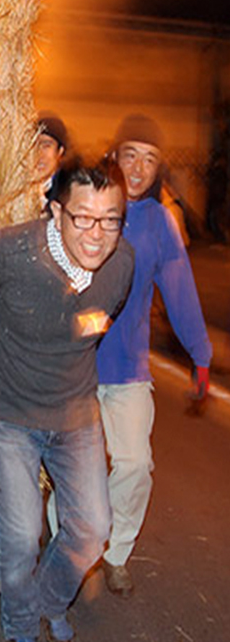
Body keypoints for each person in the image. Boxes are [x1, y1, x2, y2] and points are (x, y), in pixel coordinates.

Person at [0, 159, 134, 642]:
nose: (97, 234)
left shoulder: (121, 265)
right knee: (19, 535)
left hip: (76, 413)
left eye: (110, 219)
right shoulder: (11, 252)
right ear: (56, 212)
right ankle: (19, 628)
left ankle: (48, 600)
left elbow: (97, 319)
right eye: (83, 217)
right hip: (11, 411)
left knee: (93, 529)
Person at [98, 115, 212, 597]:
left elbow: (180, 289)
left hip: (126, 368)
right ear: (114, 156)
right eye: (130, 155)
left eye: (149, 159)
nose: (139, 168)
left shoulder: (160, 222)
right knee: (72, 472)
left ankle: (116, 551)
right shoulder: (90, 201)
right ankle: (71, 546)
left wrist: (201, 355)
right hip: (73, 367)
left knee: (133, 464)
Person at [35, 112, 68, 213]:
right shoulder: (17, 190)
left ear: (60, 151)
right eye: (34, 146)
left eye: (46, 146)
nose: (39, 154)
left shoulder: (66, 191)